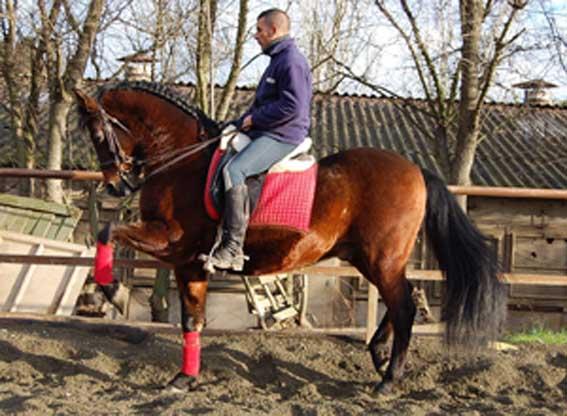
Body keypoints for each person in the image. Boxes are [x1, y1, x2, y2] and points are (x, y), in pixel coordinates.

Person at [205, 8, 313, 272]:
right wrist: (237, 122)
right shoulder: (277, 61)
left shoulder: (291, 61)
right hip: (268, 129)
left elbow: (293, 108)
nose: (255, 36)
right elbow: (264, 103)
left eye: (259, 30)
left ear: (273, 31)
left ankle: (232, 248)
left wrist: (255, 120)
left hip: (283, 134)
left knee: (235, 169)